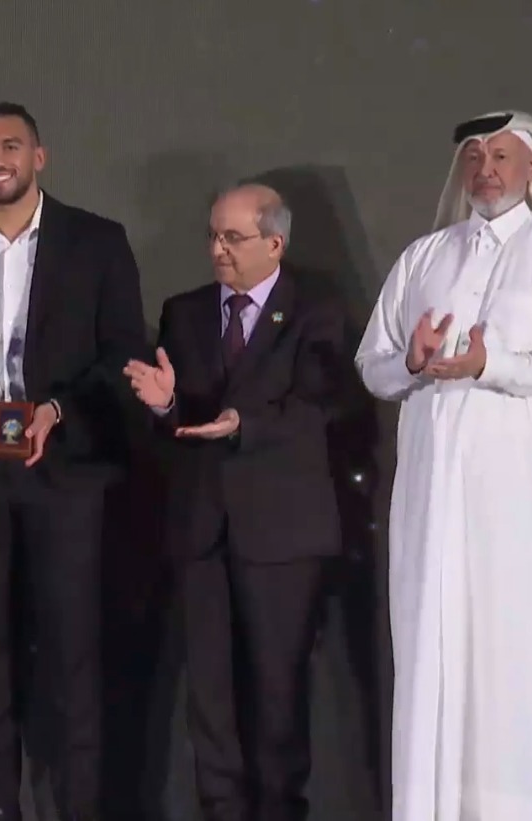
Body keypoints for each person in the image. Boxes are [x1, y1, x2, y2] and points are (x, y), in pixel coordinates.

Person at [354, 110, 532, 821]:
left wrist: (490, 363)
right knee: (437, 656)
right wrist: (412, 362)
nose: (486, 171)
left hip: (525, 512)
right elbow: (373, 365)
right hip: (436, 507)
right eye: (474, 158)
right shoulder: (424, 257)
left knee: (520, 665)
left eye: (501, 156)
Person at [0, 102, 146, 821]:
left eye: (11, 146)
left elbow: (124, 353)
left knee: (73, 655)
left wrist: (58, 409)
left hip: (67, 472)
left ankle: (78, 808)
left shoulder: (97, 242)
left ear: (39, 157)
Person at [124, 184, 346, 821]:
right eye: (213, 236)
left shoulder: (316, 309)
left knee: (277, 697)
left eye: (233, 238)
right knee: (210, 702)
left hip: (282, 533)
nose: (218, 250)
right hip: (201, 530)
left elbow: (321, 403)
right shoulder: (185, 312)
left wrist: (244, 424)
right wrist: (167, 404)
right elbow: (177, 423)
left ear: (275, 243)